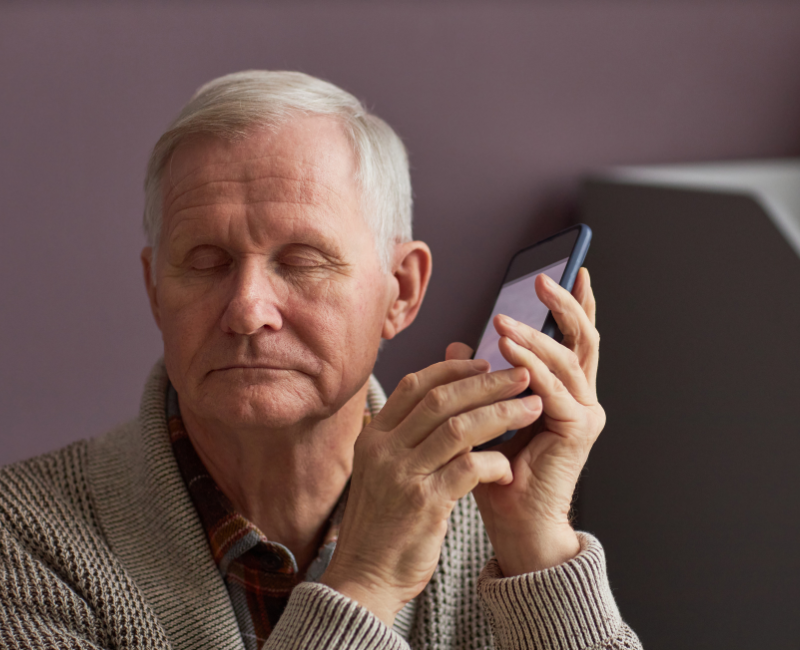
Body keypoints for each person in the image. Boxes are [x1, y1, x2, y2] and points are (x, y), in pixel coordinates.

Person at [0, 70, 642, 650]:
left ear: (402, 291)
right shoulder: (23, 537)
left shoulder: (488, 521)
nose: (249, 309)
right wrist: (366, 578)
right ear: (155, 292)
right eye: (205, 262)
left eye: (303, 261)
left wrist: (538, 547)